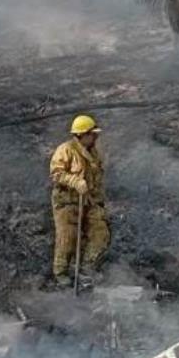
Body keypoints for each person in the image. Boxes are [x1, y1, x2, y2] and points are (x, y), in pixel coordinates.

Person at [50, 114, 110, 287]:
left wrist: (99, 202)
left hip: (88, 201)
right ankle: (61, 274)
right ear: (82, 134)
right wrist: (75, 181)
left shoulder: (93, 153)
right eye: (92, 134)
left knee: (101, 233)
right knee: (67, 238)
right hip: (67, 202)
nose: (96, 137)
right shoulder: (66, 150)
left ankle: (86, 269)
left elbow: (96, 180)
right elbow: (56, 173)